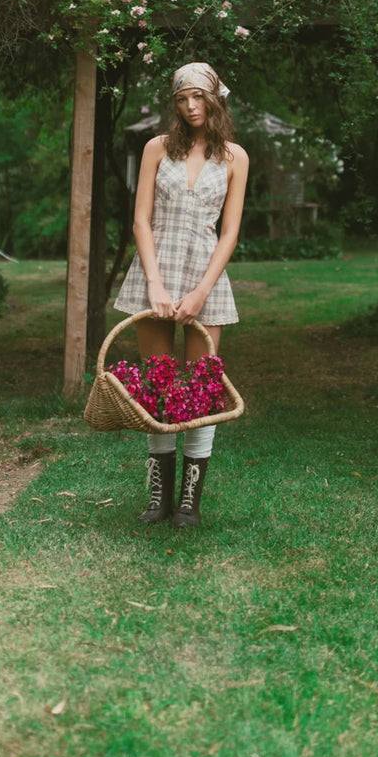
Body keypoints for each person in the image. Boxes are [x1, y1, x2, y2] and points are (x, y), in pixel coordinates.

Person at [114, 62, 249, 528]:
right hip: (157, 269)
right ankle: (158, 499)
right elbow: (140, 220)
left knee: (201, 387)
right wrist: (154, 282)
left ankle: (189, 501)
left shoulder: (235, 157)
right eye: (181, 99)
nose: (190, 106)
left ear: (215, 99)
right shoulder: (156, 149)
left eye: (198, 97)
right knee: (159, 383)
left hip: (205, 276)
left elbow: (229, 233)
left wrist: (200, 291)